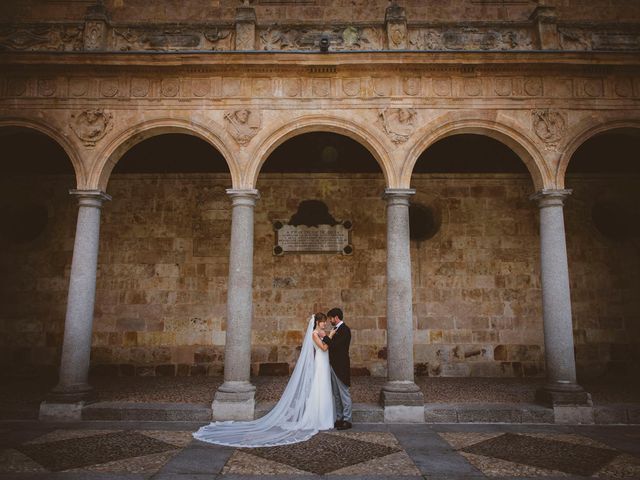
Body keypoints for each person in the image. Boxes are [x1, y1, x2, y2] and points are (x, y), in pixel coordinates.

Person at [193, 313, 335, 447]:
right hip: (320, 363)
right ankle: (317, 418)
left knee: (323, 389)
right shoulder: (314, 334)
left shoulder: (321, 333)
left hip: (323, 363)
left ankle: (324, 417)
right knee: (319, 389)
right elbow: (323, 348)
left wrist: (327, 336)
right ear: (317, 322)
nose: (324, 324)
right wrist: (330, 336)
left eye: (325, 323)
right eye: (323, 322)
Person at [322, 307, 353, 430]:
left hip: (341, 366)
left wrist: (325, 338)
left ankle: (347, 419)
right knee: (336, 394)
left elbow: (336, 346)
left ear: (336, 317)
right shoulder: (335, 329)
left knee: (344, 393)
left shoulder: (345, 330)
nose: (330, 320)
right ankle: (339, 418)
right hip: (333, 366)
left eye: (331, 318)